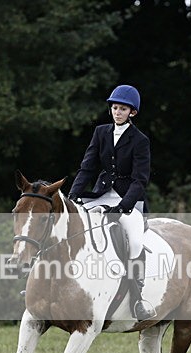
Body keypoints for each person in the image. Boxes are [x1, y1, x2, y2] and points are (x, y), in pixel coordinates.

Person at [68, 84, 156, 321]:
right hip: (102, 194)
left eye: (123, 109)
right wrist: (72, 196)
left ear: (132, 113)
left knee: (135, 240)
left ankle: (138, 298)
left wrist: (124, 206)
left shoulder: (140, 140)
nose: (117, 112)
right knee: (69, 229)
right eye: (115, 107)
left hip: (129, 200)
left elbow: (140, 180)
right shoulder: (101, 132)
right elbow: (87, 167)